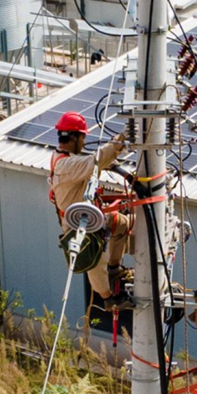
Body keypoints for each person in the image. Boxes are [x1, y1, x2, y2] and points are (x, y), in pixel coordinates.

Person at [49, 111, 133, 309]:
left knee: (121, 223)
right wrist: (121, 139)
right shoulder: (68, 164)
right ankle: (108, 298)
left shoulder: (62, 156)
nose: (84, 142)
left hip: (89, 213)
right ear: (73, 137)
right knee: (93, 255)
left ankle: (114, 269)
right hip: (77, 222)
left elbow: (92, 163)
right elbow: (95, 161)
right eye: (83, 137)